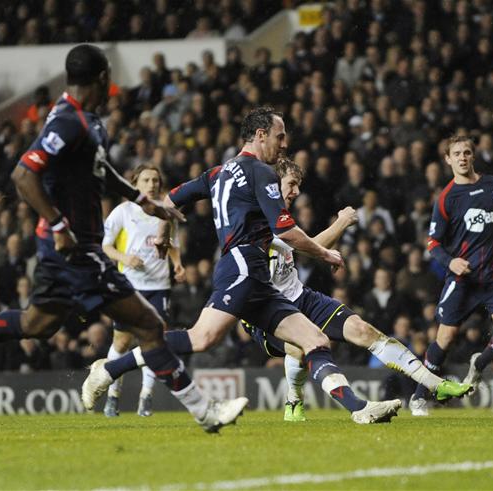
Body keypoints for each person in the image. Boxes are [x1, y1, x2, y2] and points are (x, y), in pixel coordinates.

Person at [0, 44, 246, 433]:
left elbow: (101, 172)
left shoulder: (88, 122)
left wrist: (145, 202)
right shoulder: (68, 121)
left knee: (38, 323)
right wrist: (58, 226)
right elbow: (24, 175)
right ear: (103, 77)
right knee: (149, 326)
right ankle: (205, 412)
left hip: (68, 249)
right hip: (77, 249)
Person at [82, 106, 402, 424]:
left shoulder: (218, 172)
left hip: (255, 274)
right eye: (280, 136)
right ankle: (108, 369)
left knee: (315, 341)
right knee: (202, 339)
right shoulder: (260, 171)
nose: (285, 143)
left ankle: (359, 409)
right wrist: (325, 253)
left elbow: (168, 203)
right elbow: (286, 231)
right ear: (260, 135)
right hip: (243, 266)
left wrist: (165, 234)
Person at [100, 157, 471, 422]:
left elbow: (298, 244)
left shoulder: (263, 204)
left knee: (355, 331)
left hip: (296, 295)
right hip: (259, 300)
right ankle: (296, 399)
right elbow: (300, 243)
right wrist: (338, 227)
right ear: (273, 182)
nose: (294, 192)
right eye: (291, 185)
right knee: (226, 340)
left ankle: (425, 386)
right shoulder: (260, 213)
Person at [410, 135, 493, 416]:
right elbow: (433, 244)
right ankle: (419, 397)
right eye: (457, 154)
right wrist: (451, 263)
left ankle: (479, 364)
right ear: (448, 159)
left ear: (473, 156)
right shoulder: (447, 198)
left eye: (467, 153)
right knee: (445, 339)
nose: (462, 157)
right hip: (465, 279)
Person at [101, 164, 185, 418]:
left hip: (159, 287)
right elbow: (105, 246)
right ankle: (112, 396)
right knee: (122, 341)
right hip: (130, 286)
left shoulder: (165, 212)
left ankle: (145, 398)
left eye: (156, 180)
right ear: (135, 183)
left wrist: (178, 263)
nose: (152, 184)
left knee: (155, 341)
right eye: (146, 180)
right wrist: (124, 258)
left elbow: (172, 243)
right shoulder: (123, 211)